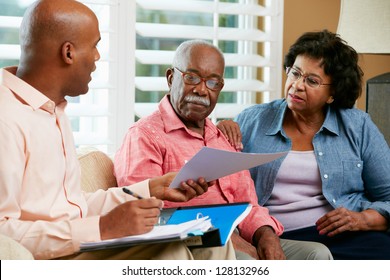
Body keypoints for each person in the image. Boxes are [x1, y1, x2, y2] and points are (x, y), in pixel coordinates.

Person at [0, 0, 236, 260]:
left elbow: (72, 207)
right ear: (68, 53)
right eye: (95, 46)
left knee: (214, 238)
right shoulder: (6, 119)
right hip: (43, 259)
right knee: (172, 253)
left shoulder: (52, 110)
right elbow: (3, 235)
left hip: (74, 246)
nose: (98, 57)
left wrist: (152, 188)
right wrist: (102, 228)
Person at [114, 39, 333, 260]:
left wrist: (267, 236)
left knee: (316, 254)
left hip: (237, 239)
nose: (201, 90)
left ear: (220, 88)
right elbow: (141, 214)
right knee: (244, 261)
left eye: (212, 82)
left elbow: (249, 205)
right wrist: (222, 235)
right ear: (171, 78)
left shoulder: (222, 138)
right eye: (191, 78)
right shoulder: (144, 136)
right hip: (189, 245)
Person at [217, 30, 390, 260]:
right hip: (275, 237)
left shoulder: (357, 126)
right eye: (295, 73)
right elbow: (220, 182)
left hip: (344, 236)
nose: (297, 85)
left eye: (311, 80)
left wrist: (361, 219)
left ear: (333, 93)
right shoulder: (253, 120)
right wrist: (218, 131)